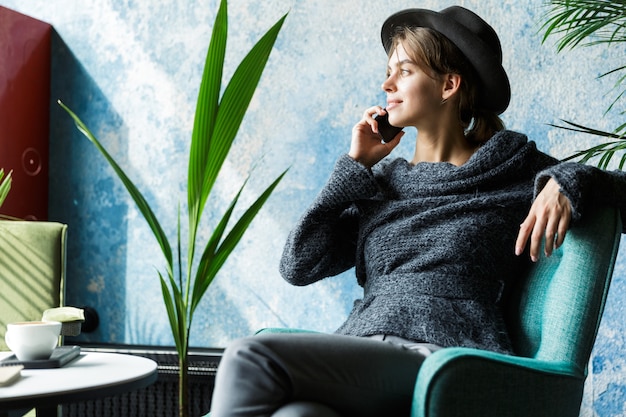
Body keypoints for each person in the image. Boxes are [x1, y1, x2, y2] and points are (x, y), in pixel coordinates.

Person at [209, 6, 626, 417]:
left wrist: (570, 180)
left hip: (446, 359)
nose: (386, 83)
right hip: (365, 349)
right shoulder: (385, 184)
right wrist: (354, 168)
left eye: (404, 71)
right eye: (389, 71)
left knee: (252, 357)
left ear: (448, 85)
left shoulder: (510, 168)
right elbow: (298, 264)